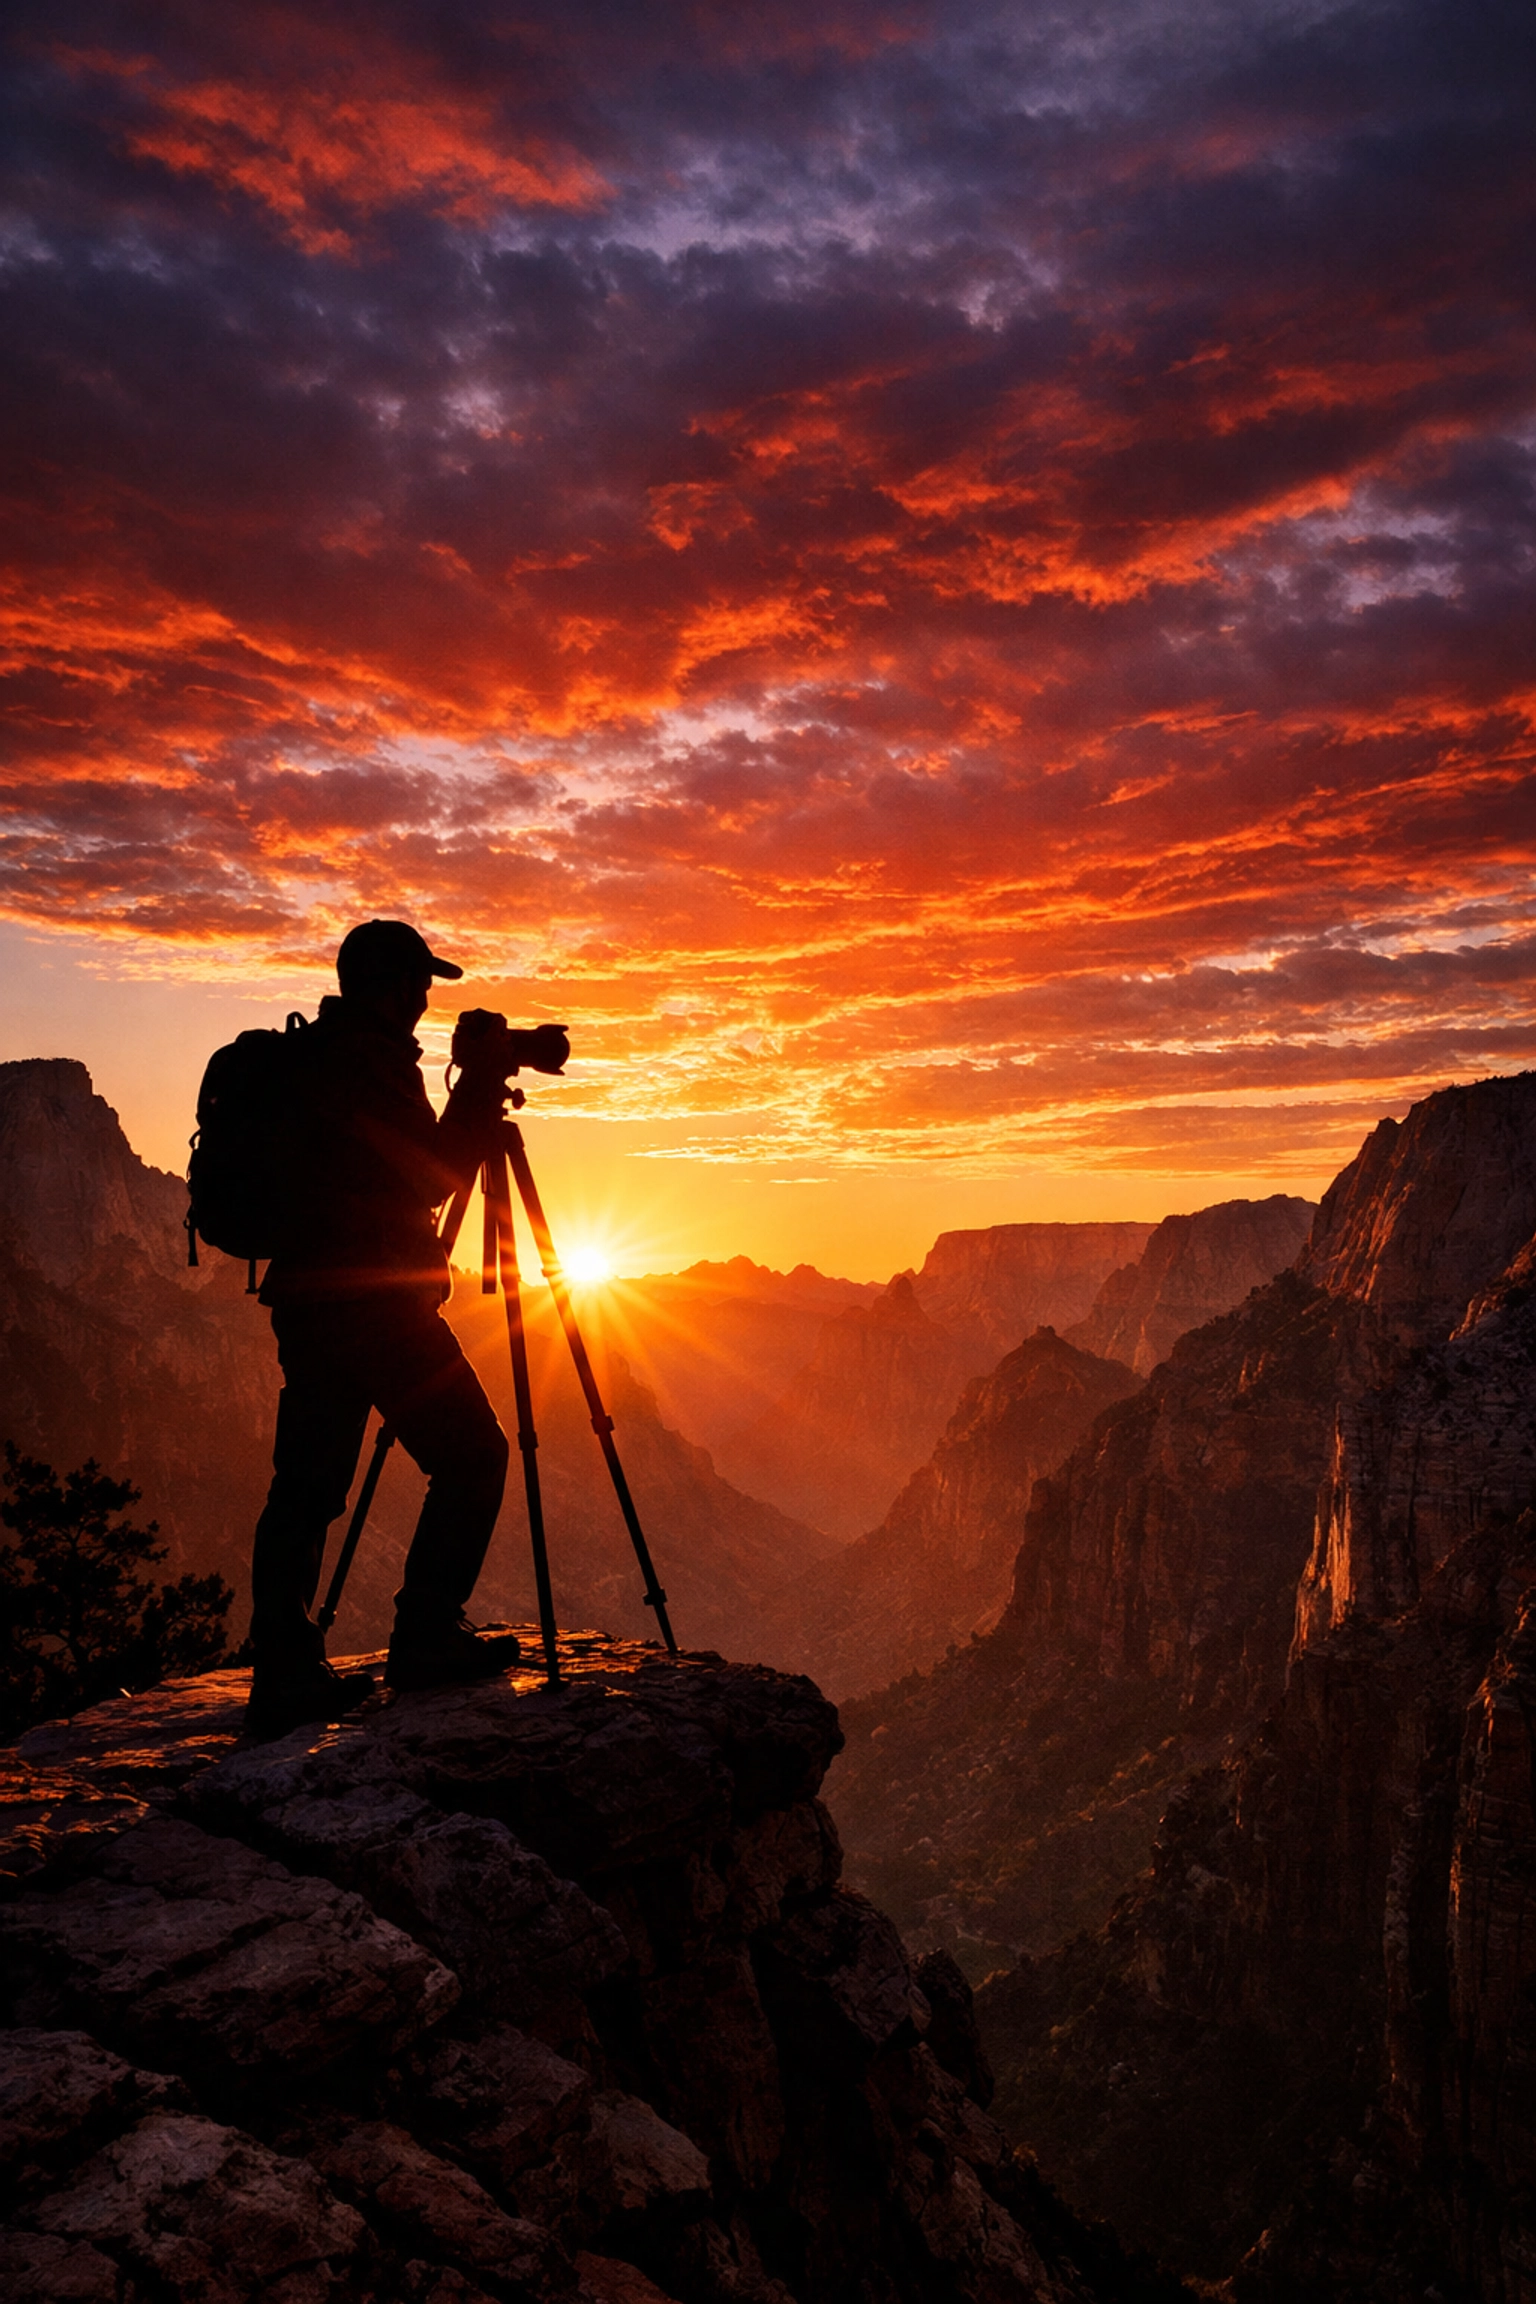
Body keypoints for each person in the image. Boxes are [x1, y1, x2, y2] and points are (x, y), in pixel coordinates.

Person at [246, 918, 561, 1738]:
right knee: (475, 1454)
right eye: (419, 986)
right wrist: (479, 1083)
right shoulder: (371, 1062)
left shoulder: (313, 1056)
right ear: (392, 990)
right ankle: (424, 1634)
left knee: (307, 1486)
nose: (426, 1000)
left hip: (306, 1301)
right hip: (376, 1307)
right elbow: (433, 1173)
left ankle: (282, 1671)